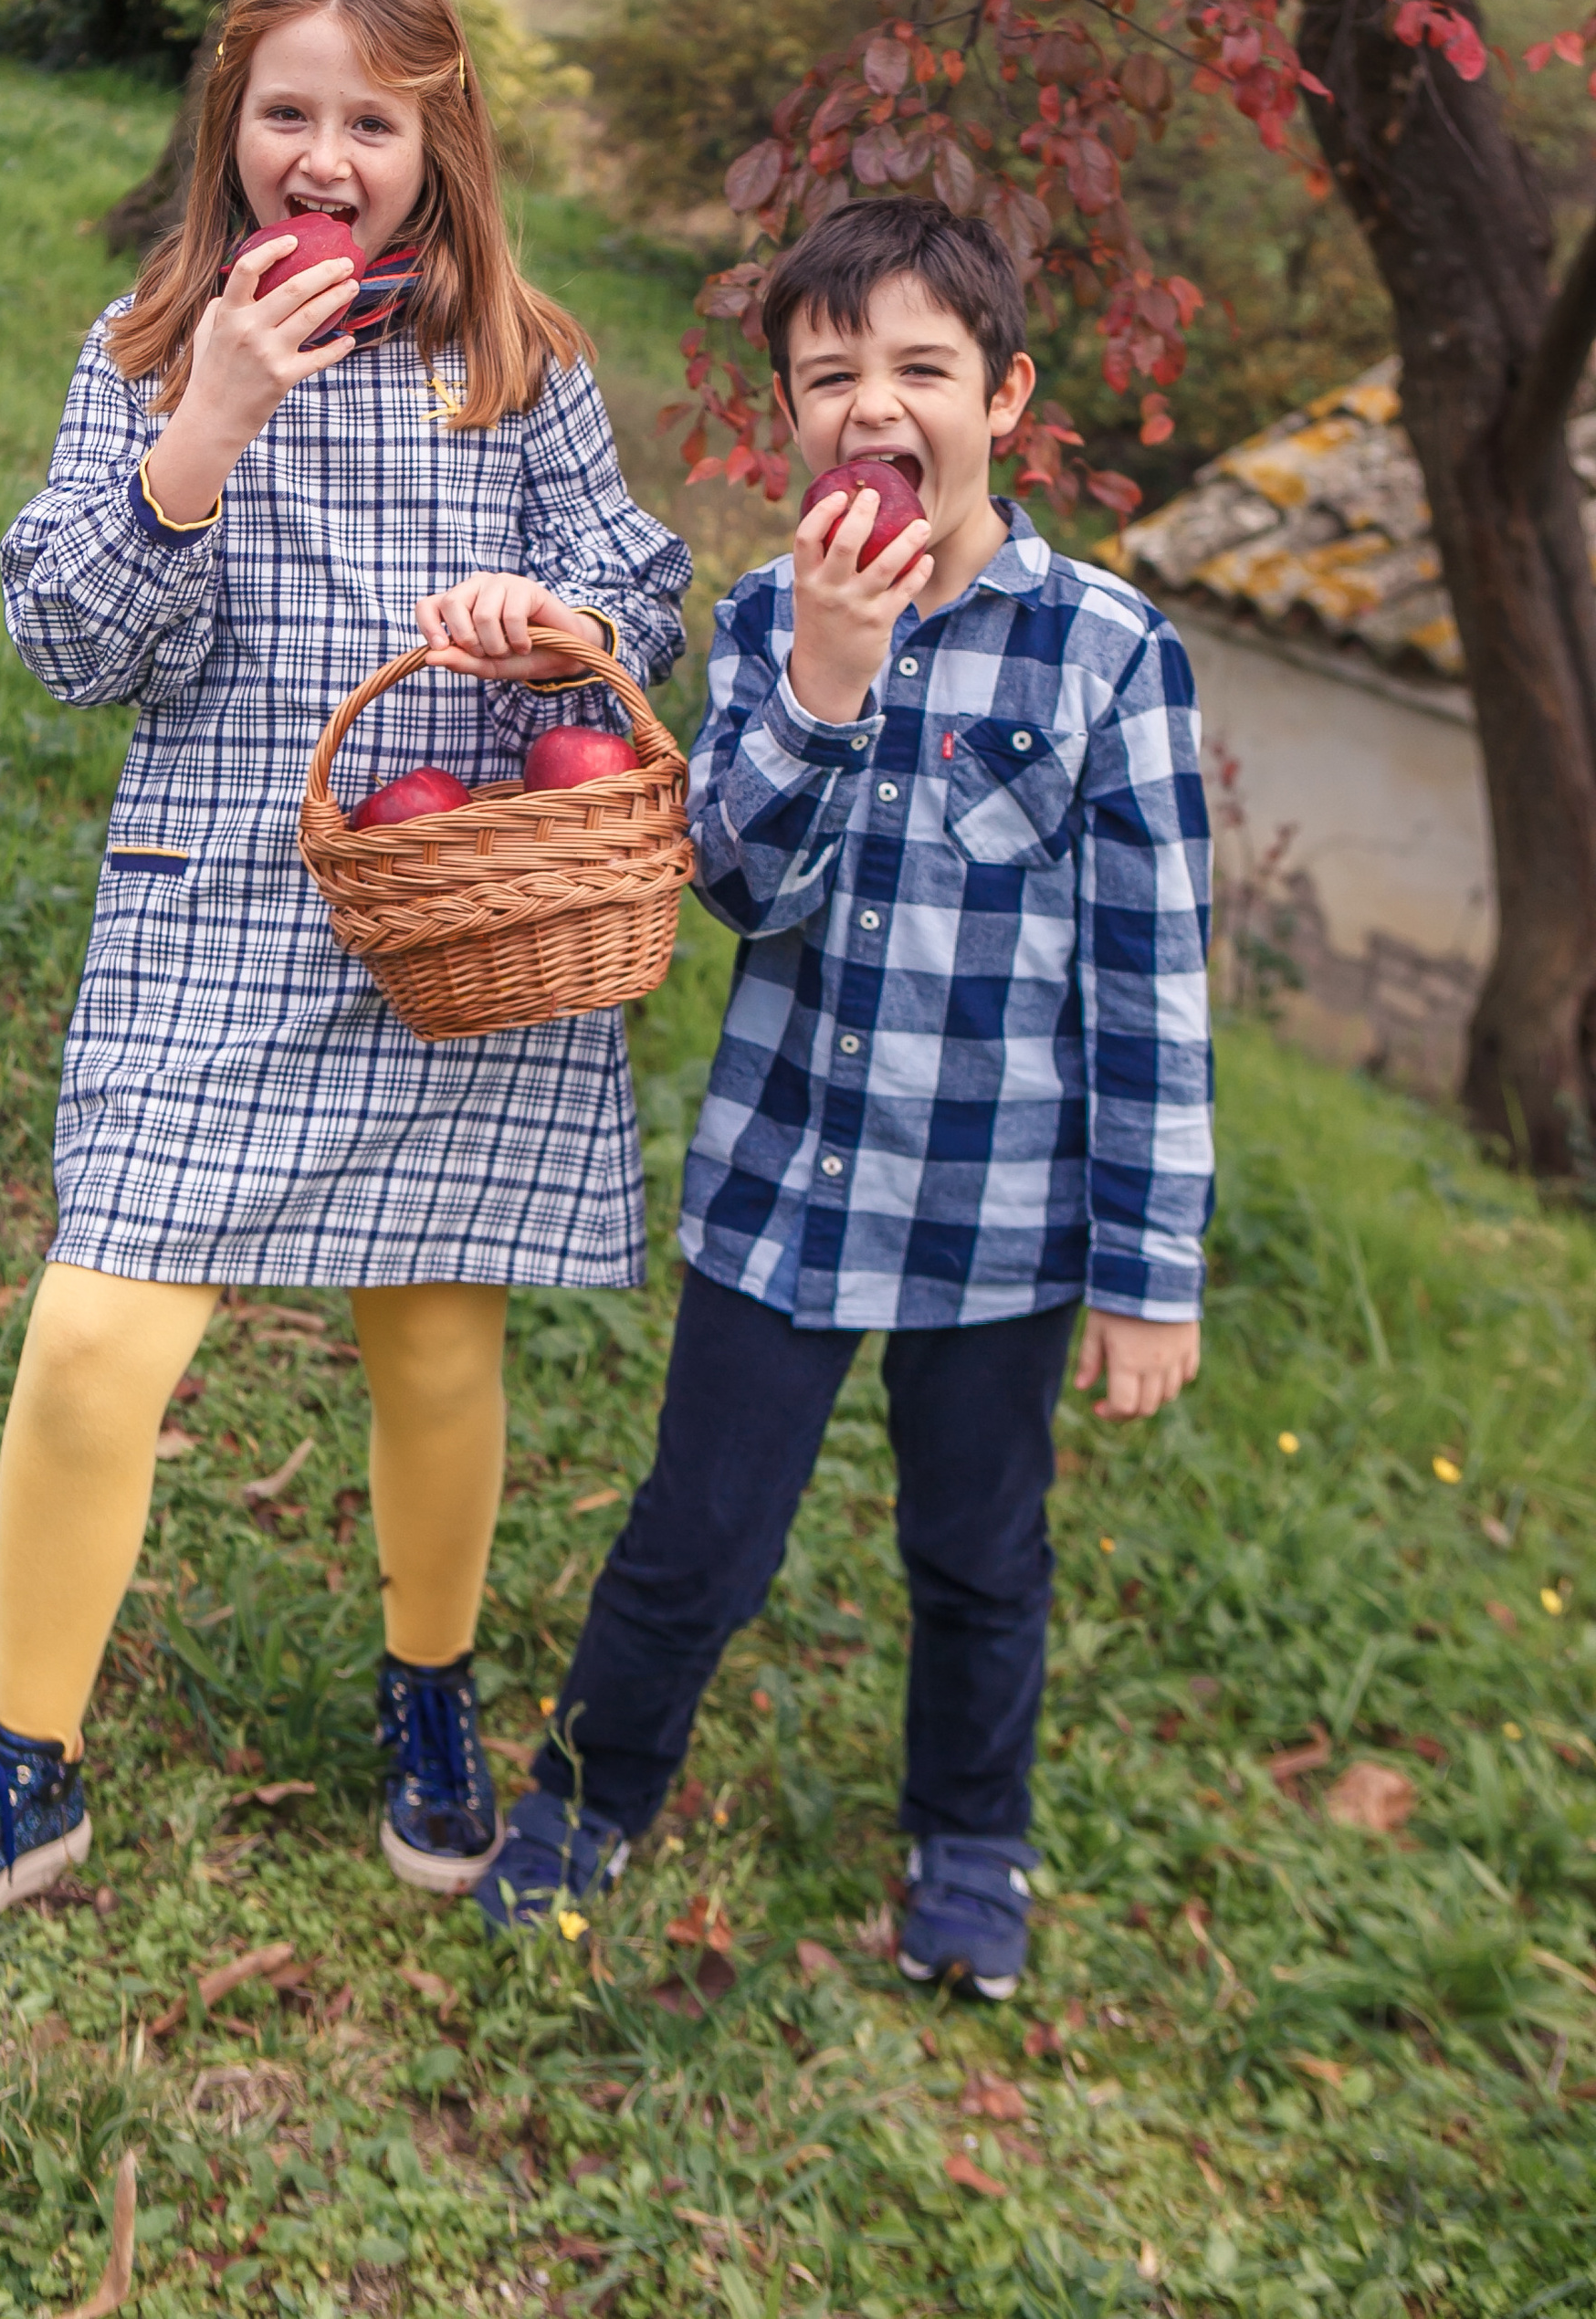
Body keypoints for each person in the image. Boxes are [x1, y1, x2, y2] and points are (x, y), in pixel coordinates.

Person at [0, 0, 692, 1966]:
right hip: (219, 908)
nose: (326, 154)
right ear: (230, 125)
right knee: (97, 1336)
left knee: (434, 1338)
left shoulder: (521, 365)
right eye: (287, 111)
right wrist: (199, 430)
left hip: (451, 914)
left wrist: (560, 635)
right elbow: (70, 642)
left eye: (370, 121)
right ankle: (21, 1761)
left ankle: (427, 1691)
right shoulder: (143, 352)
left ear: (436, 143)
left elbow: (639, 598)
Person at [469, 199, 1213, 2000]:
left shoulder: (1108, 652)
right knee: (693, 1535)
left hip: (997, 1216)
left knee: (974, 1553)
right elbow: (735, 886)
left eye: (918, 370)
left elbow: (1151, 977)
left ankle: (969, 1846)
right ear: (786, 411)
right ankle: (586, 1797)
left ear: (1004, 398)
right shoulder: (761, 617)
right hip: (788, 1183)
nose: (871, 405)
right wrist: (823, 674)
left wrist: (1147, 1264)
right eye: (829, 375)